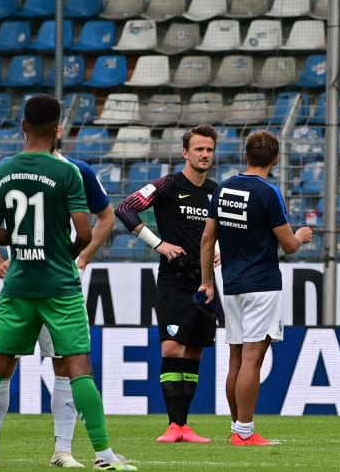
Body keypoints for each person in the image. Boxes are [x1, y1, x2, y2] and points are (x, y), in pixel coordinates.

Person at [0, 94, 135, 470]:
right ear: (59, 130)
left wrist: (20, 243)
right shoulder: (69, 170)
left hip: (19, 283)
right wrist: (67, 252)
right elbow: (85, 231)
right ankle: (103, 456)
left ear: (22, 126)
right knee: (77, 367)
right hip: (59, 286)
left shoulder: (2, 170)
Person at [198, 130, 313, 446]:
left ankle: (237, 430)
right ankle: (245, 433)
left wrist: (207, 281)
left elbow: (208, 239)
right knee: (252, 360)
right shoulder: (268, 193)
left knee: (236, 359)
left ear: (245, 156)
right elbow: (288, 245)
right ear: (275, 161)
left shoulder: (222, 189)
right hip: (261, 285)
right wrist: (301, 235)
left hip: (232, 285)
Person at [115, 124, 219, 444]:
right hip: (174, 279)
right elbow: (125, 208)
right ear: (185, 153)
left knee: (195, 352)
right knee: (173, 347)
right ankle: (173, 425)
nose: (205, 154)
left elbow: (228, 229)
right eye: (199, 149)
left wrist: (220, 250)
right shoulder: (167, 185)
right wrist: (158, 243)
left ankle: (185, 426)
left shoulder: (217, 190)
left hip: (205, 283)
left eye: (209, 149)